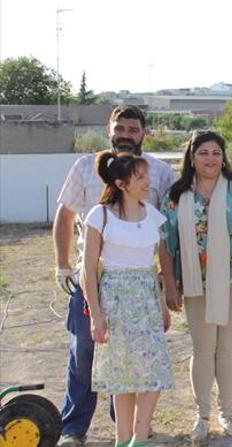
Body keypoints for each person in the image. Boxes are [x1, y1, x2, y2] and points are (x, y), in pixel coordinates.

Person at [53, 105, 175, 447]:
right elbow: (64, 217)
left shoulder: (160, 172)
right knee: (85, 353)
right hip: (94, 277)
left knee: (133, 358)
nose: (125, 133)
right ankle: (73, 427)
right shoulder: (84, 168)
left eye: (133, 129)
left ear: (143, 134)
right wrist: (62, 264)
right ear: (110, 129)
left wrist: (168, 287)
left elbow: (166, 231)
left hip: (140, 285)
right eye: (119, 127)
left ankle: (128, 430)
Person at [158, 131, 232, 442]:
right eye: (203, 152)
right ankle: (202, 416)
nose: (210, 158)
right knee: (203, 350)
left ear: (224, 156)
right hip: (195, 283)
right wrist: (169, 285)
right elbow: (166, 244)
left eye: (216, 152)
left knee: (227, 350)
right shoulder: (176, 195)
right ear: (192, 158)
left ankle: (228, 414)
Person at [81, 151, 174, 447]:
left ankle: (139, 436)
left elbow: (154, 265)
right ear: (122, 184)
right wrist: (96, 314)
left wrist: (161, 304)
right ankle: (123, 440)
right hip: (115, 299)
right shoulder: (101, 215)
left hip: (146, 299)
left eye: (147, 175)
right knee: (122, 374)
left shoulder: (153, 215)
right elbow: (88, 269)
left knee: (153, 371)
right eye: (141, 177)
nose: (148, 182)